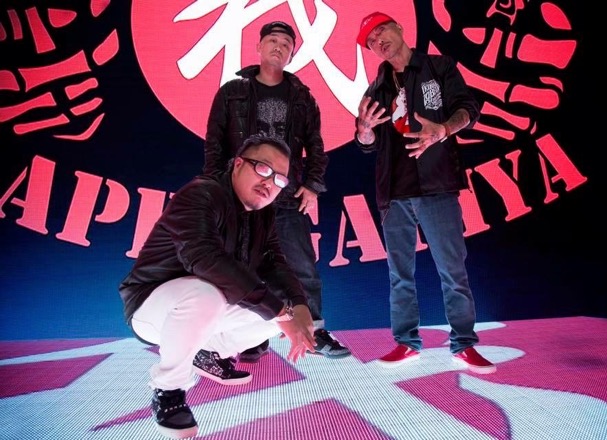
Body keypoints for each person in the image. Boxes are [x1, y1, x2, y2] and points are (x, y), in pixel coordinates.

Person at [119, 134, 317, 439]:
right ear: (238, 164)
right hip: (153, 308)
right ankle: (169, 389)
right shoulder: (201, 194)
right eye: (263, 169)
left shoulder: (263, 214)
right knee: (214, 296)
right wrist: (280, 312)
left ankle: (208, 352)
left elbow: (274, 263)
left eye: (279, 179)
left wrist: (298, 306)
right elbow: (203, 258)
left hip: (206, 309)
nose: (269, 183)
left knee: (282, 313)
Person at [354, 12, 496, 374]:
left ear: (400, 27)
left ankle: (463, 344)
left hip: (437, 185)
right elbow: (368, 144)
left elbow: (468, 109)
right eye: (371, 41)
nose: (378, 41)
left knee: (452, 269)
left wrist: (443, 130)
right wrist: (364, 131)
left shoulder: (439, 66)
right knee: (399, 274)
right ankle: (406, 342)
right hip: (393, 193)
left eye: (381, 30)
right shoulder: (376, 89)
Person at [203, 21, 350, 361]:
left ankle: (313, 330)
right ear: (258, 47)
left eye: (286, 43)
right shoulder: (232, 92)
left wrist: (312, 185)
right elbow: (214, 144)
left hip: (285, 195)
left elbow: (316, 146)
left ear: (292, 54)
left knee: (301, 265)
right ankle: (248, 336)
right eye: (272, 40)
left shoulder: (302, 96)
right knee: (240, 266)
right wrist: (216, 188)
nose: (278, 47)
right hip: (240, 196)